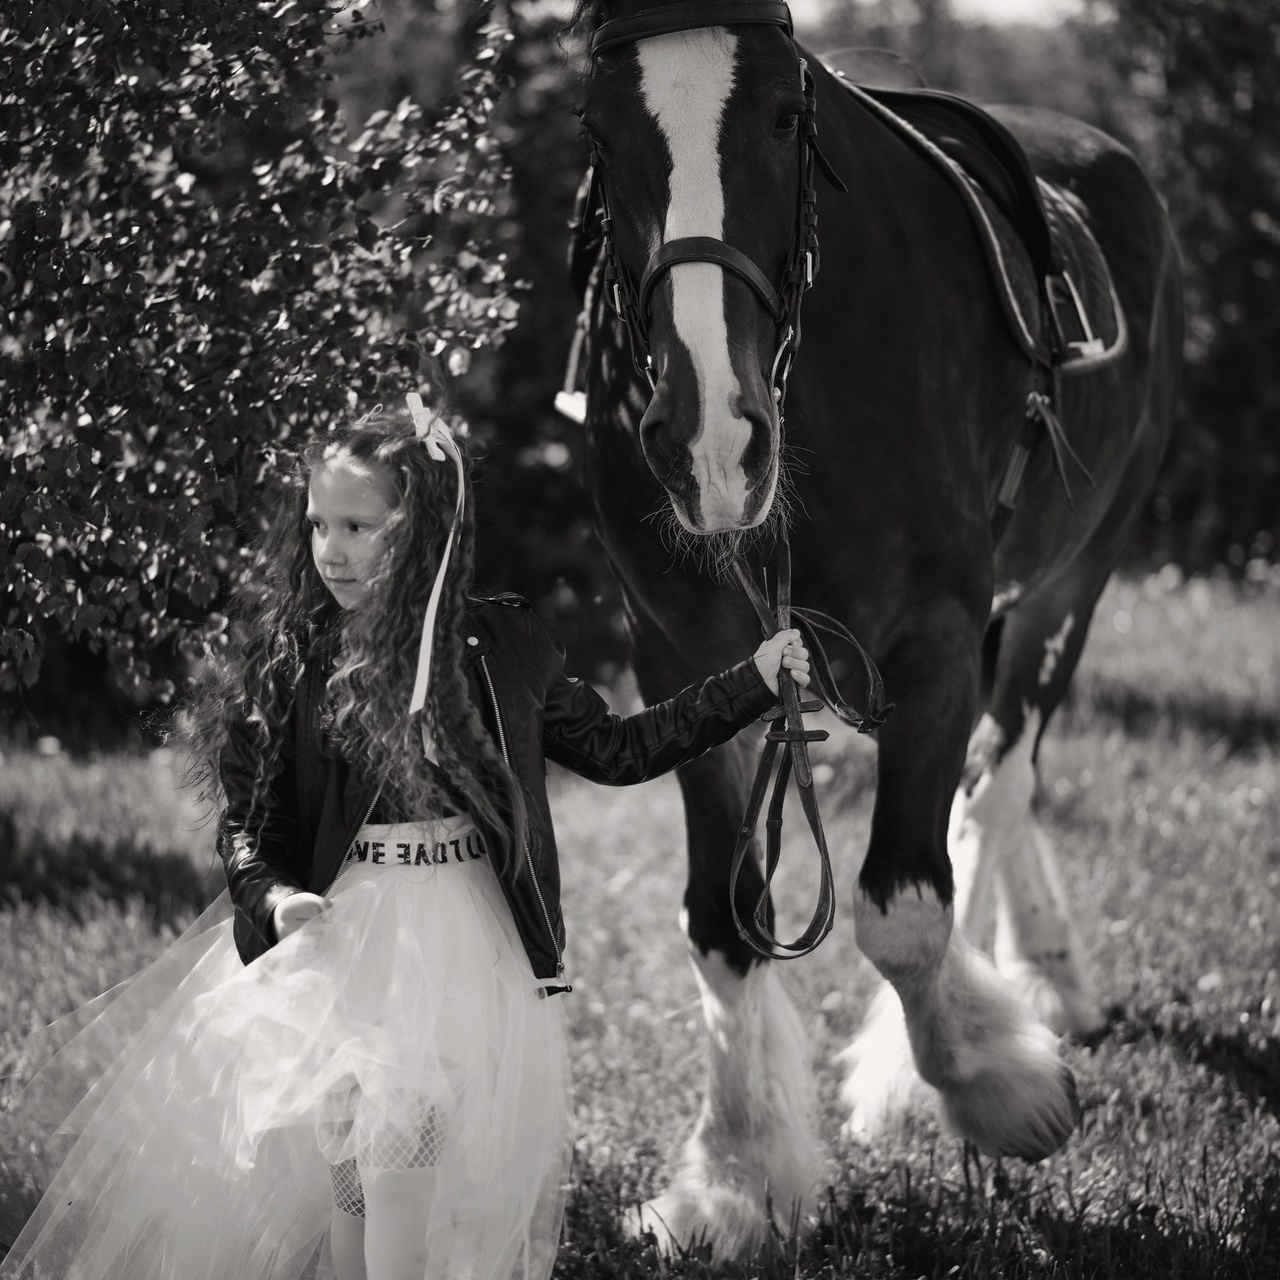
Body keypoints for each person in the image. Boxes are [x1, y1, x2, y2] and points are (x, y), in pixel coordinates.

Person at [0, 392, 810, 1280]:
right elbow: (252, 821)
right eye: (319, 524)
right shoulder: (303, 656)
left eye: (359, 526)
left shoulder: (500, 643)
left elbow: (618, 748)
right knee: (354, 1179)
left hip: (457, 942)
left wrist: (752, 682)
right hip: (348, 936)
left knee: (397, 1169)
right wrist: (273, 898)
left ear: (423, 529)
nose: (330, 550)